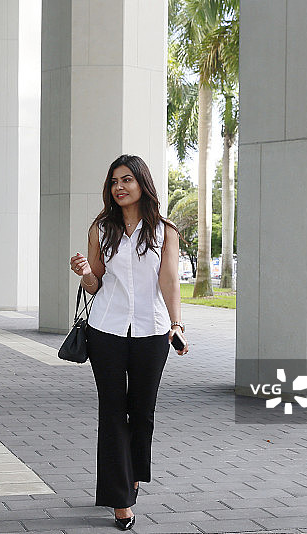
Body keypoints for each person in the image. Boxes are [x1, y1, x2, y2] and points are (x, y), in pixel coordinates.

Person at [69, 154, 189, 530]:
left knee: (142, 413)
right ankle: (120, 499)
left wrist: (177, 325)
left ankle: (131, 474)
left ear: (142, 184)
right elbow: (95, 284)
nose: (119, 187)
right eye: (114, 182)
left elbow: (169, 281)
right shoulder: (101, 229)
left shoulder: (165, 230)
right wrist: (86, 272)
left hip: (152, 332)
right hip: (106, 330)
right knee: (112, 412)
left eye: (126, 180)